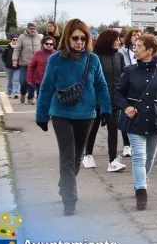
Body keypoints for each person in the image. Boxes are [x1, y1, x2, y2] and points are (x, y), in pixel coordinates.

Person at [35, 18, 112, 216]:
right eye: (75, 38)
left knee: (77, 158)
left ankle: (65, 183)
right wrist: (41, 115)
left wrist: (106, 109)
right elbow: (46, 88)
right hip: (61, 113)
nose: (79, 42)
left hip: (86, 114)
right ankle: (70, 200)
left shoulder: (92, 59)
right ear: (67, 38)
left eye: (83, 38)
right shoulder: (56, 59)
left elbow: (101, 86)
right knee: (67, 158)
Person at [115, 34, 157, 210]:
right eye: (134, 46)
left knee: (149, 158)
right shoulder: (129, 71)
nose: (135, 49)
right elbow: (118, 94)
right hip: (135, 120)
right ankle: (141, 190)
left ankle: (141, 180)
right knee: (139, 157)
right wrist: (126, 107)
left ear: (149, 50)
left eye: (139, 46)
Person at [84, 30, 127, 173]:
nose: (119, 42)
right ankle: (88, 155)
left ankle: (113, 161)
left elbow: (123, 77)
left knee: (113, 129)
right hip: (97, 100)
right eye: (116, 39)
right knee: (93, 128)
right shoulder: (94, 56)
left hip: (114, 100)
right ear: (108, 40)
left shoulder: (119, 56)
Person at [118, 28, 141, 158]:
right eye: (134, 34)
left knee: (139, 116)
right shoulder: (122, 52)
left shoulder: (144, 50)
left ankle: (136, 144)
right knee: (126, 115)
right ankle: (127, 145)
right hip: (127, 87)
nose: (137, 36)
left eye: (139, 34)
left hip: (140, 87)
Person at [13, 23, 43, 105]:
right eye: (31, 28)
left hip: (36, 65)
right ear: (27, 29)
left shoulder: (39, 37)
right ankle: (23, 93)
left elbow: (42, 50)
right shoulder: (22, 37)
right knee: (23, 82)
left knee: (33, 83)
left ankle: (30, 97)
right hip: (25, 64)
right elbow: (17, 49)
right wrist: (15, 60)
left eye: (34, 28)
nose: (32, 30)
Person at [26, 36, 57, 102]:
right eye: (47, 44)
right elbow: (31, 66)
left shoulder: (56, 54)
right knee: (40, 98)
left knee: (52, 98)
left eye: (51, 44)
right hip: (40, 80)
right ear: (43, 44)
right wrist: (29, 79)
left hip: (53, 80)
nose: (49, 45)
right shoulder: (37, 54)